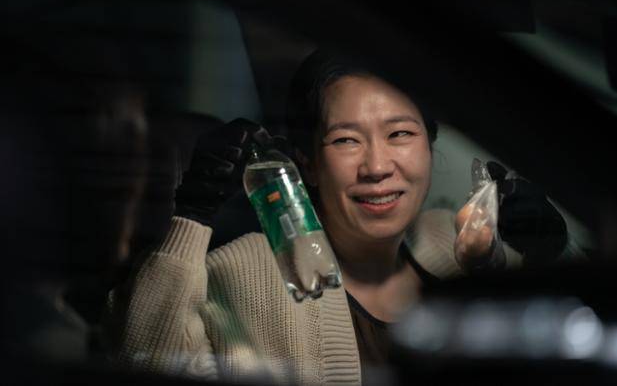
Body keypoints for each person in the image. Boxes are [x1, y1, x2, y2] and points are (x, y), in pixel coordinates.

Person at [108, 49, 568, 385]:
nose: (377, 167)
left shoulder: (456, 242)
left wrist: (545, 254)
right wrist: (190, 217)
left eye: (400, 134)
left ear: (429, 145)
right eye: (346, 140)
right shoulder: (244, 273)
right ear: (307, 163)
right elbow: (146, 358)